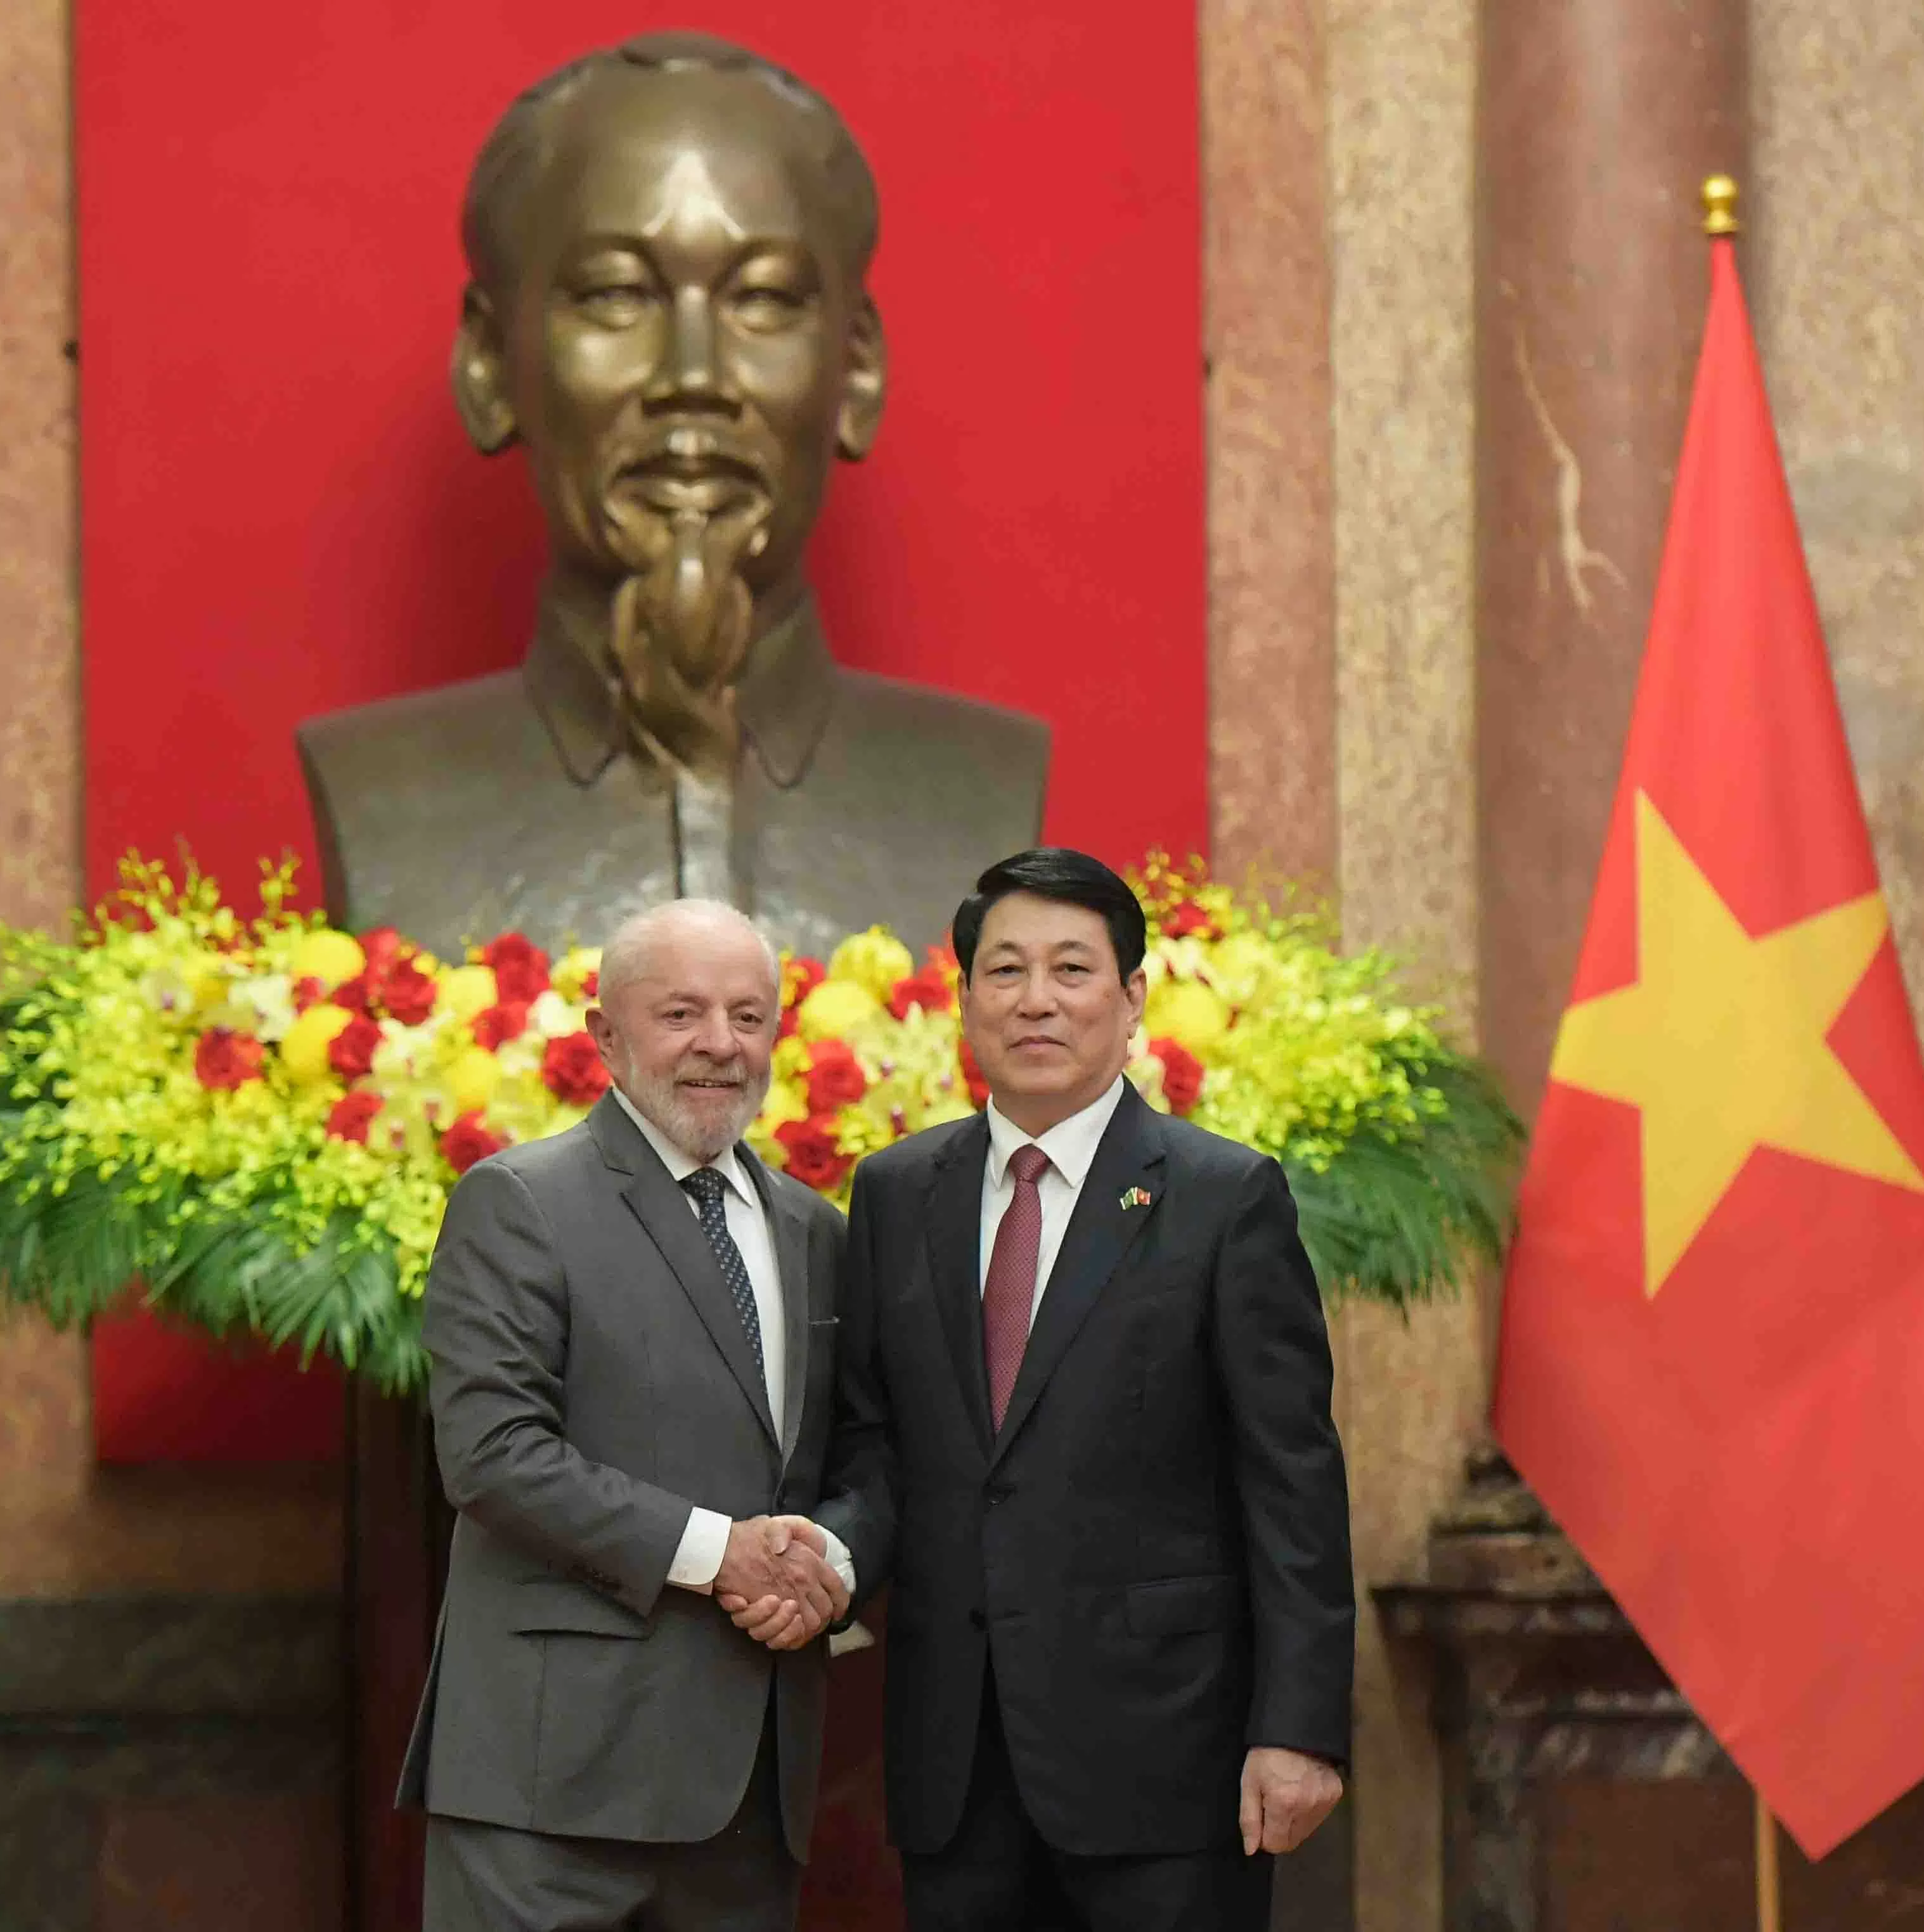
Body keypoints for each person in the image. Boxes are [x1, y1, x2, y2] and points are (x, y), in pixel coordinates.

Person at [297, 32, 1045, 960]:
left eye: (763, 300)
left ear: (854, 372)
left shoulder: (989, 794)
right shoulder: (381, 795)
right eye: (617, 296)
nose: (694, 376)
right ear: (490, 367)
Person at [731, 848, 1354, 1930]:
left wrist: (1297, 1728)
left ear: (1133, 999)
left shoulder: (1223, 1198)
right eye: (1006, 970)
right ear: (964, 999)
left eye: (1073, 969)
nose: (1037, 1000)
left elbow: (1291, 1481)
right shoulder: (894, 1192)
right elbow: (878, 1440)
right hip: (956, 1759)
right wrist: (829, 1556)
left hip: (1170, 1759)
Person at [401, 898, 858, 1931]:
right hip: (550, 1793)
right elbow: (492, 1454)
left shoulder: (814, 1230)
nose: (718, 1046)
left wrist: (829, 1560)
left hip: (748, 1795)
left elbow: (861, 1456)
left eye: (748, 1017)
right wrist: (719, 1553)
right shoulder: (518, 1200)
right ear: (605, 1035)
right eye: (682, 1013)